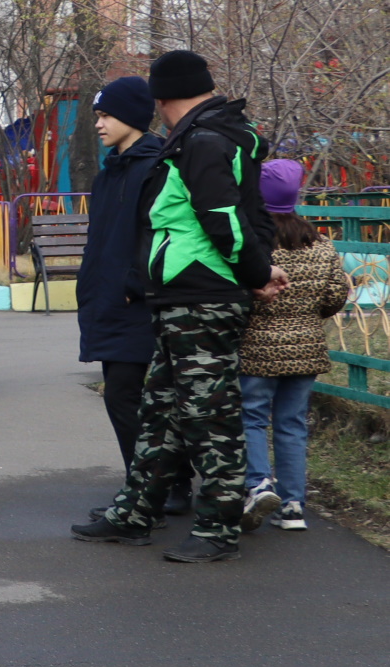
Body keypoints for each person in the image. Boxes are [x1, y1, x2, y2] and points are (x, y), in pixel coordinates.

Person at [71, 49, 278, 562]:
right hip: (183, 296)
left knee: (211, 419)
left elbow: (225, 219)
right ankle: (136, 512)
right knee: (160, 414)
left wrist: (255, 273)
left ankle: (217, 530)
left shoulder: (205, 140)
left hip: (203, 297)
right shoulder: (205, 137)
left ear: (163, 99)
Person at [242, 159, 349, 534]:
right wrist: (309, 315)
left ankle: (258, 484)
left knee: (252, 417)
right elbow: (337, 293)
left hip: (256, 347)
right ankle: (293, 505)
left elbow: (242, 292)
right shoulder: (319, 243)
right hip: (306, 347)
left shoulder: (253, 242)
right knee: (291, 425)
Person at [74, 78, 163, 486]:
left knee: (125, 396)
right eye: (98, 116)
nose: (99, 124)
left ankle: (147, 489)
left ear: (131, 116)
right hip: (109, 299)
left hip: (138, 302)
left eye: (106, 115)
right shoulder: (108, 174)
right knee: (125, 396)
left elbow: (155, 235)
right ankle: (160, 486)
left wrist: (135, 283)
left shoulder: (156, 167)